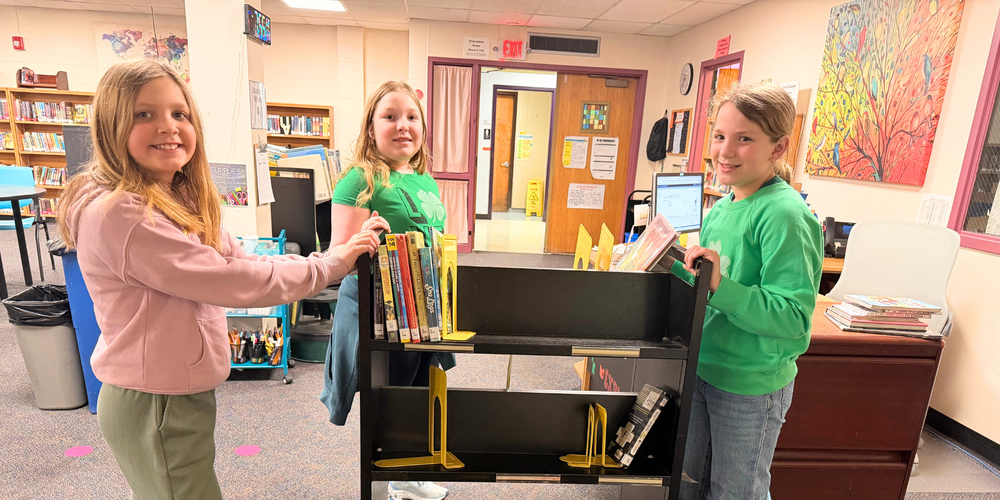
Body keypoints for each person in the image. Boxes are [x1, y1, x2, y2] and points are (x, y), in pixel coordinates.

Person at [56, 58, 382, 500]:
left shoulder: (175, 196)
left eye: (180, 114)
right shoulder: (124, 215)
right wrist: (329, 265)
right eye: (143, 114)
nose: (168, 127)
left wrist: (327, 258)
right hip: (155, 399)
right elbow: (230, 280)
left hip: (171, 391)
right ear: (110, 125)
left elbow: (241, 261)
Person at [669, 81, 823, 500]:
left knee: (736, 491)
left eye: (744, 139)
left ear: (778, 148)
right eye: (720, 136)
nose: (725, 151)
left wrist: (721, 286)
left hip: (750, 386)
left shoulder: (786, 215)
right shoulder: (723, 205)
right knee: (689, 483)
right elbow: (708, 286)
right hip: (703, 367)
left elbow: (792, 318)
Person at [319, 80, 454, 500]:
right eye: (390, 117)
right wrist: (362, 236)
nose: (403, 126)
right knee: (391, 397)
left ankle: (407, 474)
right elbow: (336, 257)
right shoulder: (358, 179)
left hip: (424, 309)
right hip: (384, 311)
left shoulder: (425, 180)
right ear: (371, 126)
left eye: (412, 117)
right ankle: (391, 481)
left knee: (418, 391)